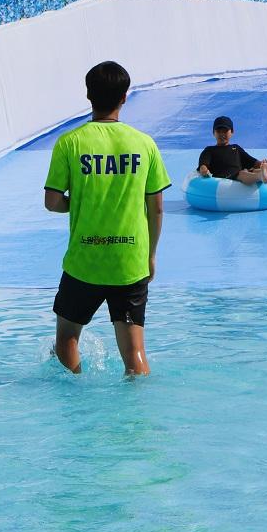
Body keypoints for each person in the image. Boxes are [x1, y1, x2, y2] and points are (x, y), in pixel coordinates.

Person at [44, 61, 171, 376]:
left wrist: (85, 203)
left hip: (84, 262)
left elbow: (53, 201)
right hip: (129, 262)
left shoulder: (70, 143)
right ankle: (137, 417)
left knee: (67, 340)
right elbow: (156, 208)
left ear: (88, 96)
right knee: (135, 354)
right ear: (125, 97)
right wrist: (151, 256)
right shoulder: (144, 144)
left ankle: (77, 404)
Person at [197, 115, 267, 185]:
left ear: (232, 132)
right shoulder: (210, 150)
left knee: (253, 170)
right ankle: (261, 176)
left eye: (225, 131)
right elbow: (203, 164)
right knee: (242, 174)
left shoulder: (236, 148)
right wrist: (204, 169)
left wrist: (263, 164)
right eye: (219, 131)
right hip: (228, 177)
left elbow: (252, 161)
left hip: (242, 171)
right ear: (213, 133)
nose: (222, 134)